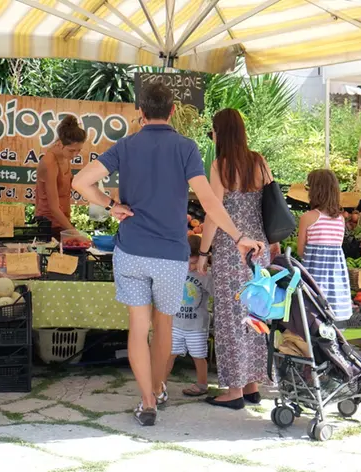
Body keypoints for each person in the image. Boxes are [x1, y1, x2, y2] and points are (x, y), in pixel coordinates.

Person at [72, 83, 264, 426]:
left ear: (140, 112)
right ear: (173, 111)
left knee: (137, 327)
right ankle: (160, 387)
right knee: (164, 325)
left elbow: (82, 182)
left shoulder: (125, 146)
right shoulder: (187, 148)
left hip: (131, 251)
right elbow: (208, 200)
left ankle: (147, 400)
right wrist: (238, 236)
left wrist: (112, 206)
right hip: (171, 255)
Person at [196, 108, 272, 410]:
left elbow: (214, 214)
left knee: (230, 317)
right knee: (255, 315)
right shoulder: (259, 161)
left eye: (213, 130)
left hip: (232, 248)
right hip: (260, 248)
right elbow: (271, 204)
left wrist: (203, 253)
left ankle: (234, 391)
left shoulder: (220, 166)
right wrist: (272, 243)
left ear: (220, 132)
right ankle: (253, 385)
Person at [297, 169, 352, 321]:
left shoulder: (307, 217)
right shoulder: (340, 219)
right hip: (335, 279)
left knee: (312, 318)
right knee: (330, 320)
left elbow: (301, 251)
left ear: (314, 191)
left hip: (314, 277)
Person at [167, 236, 212, 397]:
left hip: (197, 326)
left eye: (195, 263)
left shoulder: (206, 275)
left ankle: (202, 384)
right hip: (176, 323)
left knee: (198, 355)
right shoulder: (175, 272)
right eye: (189, 262)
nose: (192, 267)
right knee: (169, 354)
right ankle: (160, 384)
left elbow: (215, 294)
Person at [34, 116, 86, 236]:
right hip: (48, 226)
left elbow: (68, 182)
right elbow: (53, 207)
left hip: (62, 222)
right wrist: (76, 235)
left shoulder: (65, 156)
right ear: (60, 144)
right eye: (72, 150)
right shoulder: (49, 163)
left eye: (78, 150)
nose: (75, 155)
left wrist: (89, 185)